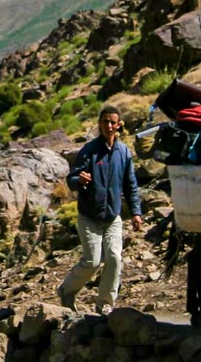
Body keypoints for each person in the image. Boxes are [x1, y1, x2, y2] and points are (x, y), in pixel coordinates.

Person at [57, 105, 143, 315]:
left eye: (113, 122)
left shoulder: (123, 153)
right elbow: (71, 180)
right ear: (100, 124)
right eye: (105, 122)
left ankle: (105, 302)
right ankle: (66, 290)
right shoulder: (89, 151)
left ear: (119, 125)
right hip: (89, 216)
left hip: (113, 216)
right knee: (92, 261)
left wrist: (136, 212)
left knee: (114, 257)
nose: (109, 126)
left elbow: (130, 184)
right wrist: (80, 180)